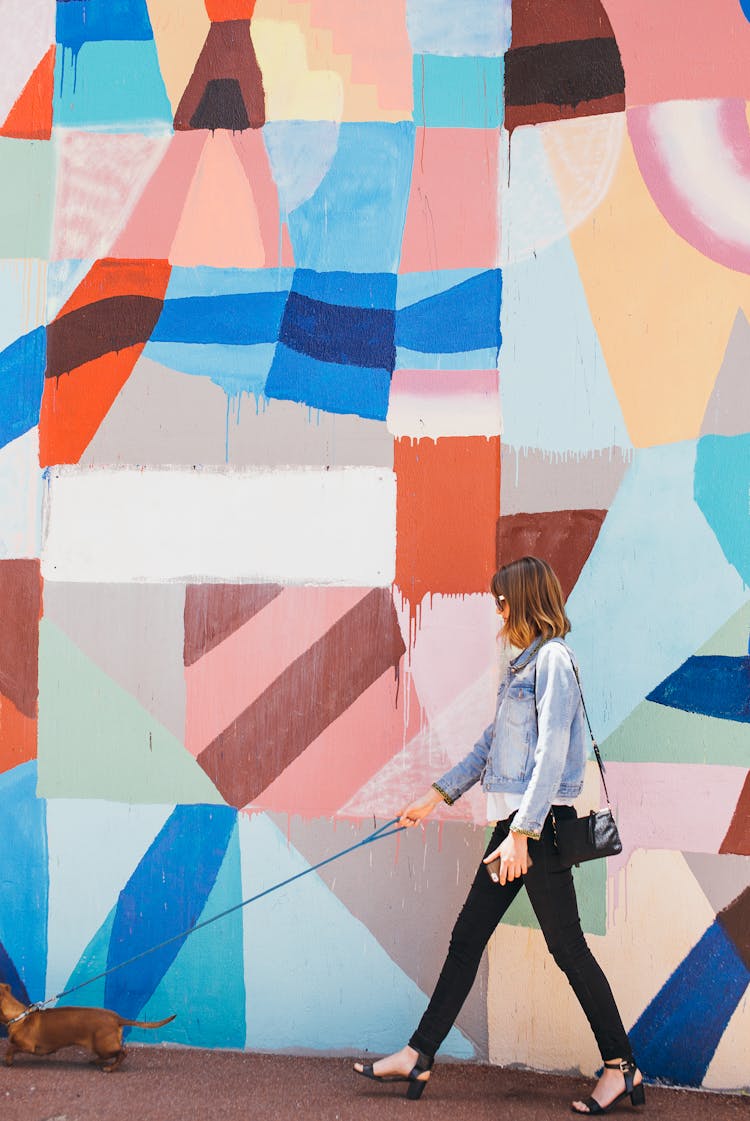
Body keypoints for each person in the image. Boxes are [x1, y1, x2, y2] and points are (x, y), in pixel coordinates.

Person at [354, 556, 644, 1114]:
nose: (499, 613)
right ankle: (420, 1053)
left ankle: (621, 1067)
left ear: (526, 602)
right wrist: (435, 796)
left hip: (538, 831)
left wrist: (522, 834)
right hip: (516, 831)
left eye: (503, 603)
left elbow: (551, 752)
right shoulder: (521, 667)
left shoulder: (554, 660)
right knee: (468, 939)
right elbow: (491, 747)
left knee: (567, 948)